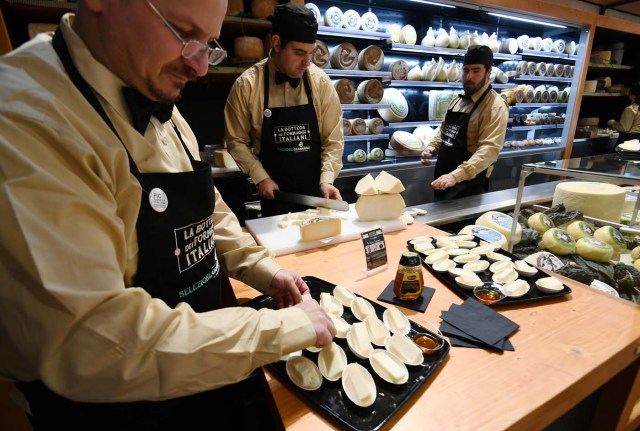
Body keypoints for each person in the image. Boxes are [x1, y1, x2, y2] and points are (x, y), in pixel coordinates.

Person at [0, 0, 336, 429]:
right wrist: (275, 330)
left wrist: (262, 269)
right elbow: (98, 339)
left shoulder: (156, 90)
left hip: (204, 379)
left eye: (208, 45)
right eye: (182, 34)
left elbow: (206, 212)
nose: (198, 67)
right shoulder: (25, 118)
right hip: (118, 413)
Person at [224, 2, 344, 217]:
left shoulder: (321, 83)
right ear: (277, 43)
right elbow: (236, 141)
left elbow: (333, 140)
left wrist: (327, 179)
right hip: (274, 198)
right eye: (299, 52)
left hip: (317, 198)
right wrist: (260, 176)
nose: (307, 62)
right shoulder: (247, 86)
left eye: (311, 53)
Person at [420, 45, 509, 201]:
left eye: (476, 71)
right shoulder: (458, 100)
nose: (469, 77)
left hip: (468, 185)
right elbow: (445, 131)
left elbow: (489, 150)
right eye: (466, 70)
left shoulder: (495, 106)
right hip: (443, 179)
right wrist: (432, 147)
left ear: (488, 73)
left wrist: (456, 176)